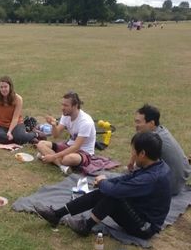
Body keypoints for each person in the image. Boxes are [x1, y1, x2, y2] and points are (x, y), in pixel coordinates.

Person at [35, 132, 171, 239]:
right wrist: (107, 181)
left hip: (145, 227)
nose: (132, 154)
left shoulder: (151, 178)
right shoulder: (155, 164)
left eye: (133, 151)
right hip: (138, 209)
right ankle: (57, 215)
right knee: (107, 190)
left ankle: (86, 226)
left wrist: (103, 183)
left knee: (112, 195)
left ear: (142, 154)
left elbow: (117, 191)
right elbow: (128, 177)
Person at [130, 104, 190, 195]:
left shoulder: (153, 141)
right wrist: (132, 160)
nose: (136, 125)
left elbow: (140, 165)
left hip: (170, 186)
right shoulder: (162, 131)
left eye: (139, 122)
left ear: (151, 123)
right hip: (179, 180)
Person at [36, 92, 96, 175]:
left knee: (68, 159)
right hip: (68, 146)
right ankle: (62, 166)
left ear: (75, 106)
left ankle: (46, 156)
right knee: (40, 144)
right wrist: (53, 125)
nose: (62, 108)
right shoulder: (66, 115)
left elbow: (76, 147)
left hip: (83, 151)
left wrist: (53, 156)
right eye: (62, 104)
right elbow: (56, 135)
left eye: (66, 105)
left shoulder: (86, 122)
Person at [0, 76, 45, 145]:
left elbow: (15, 118)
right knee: (0, 138)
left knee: (19, 137)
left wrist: (9, 132)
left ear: (10, 87)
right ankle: (27, 139)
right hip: (3, 125)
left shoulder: (18, 99)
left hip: (16, 124)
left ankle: (35, 134)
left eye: (5, 87)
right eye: (1, 87)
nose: (3, 89)